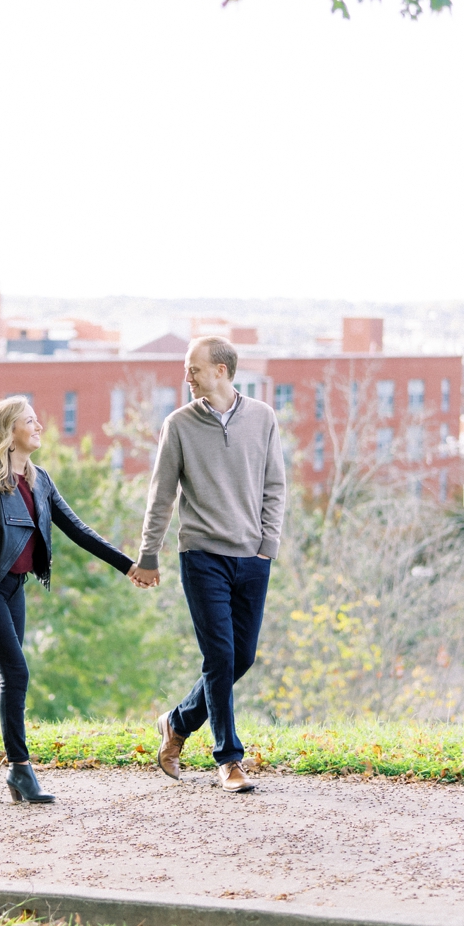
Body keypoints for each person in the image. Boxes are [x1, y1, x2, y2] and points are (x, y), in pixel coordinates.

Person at [0, 396, 142, 802]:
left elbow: (78, 529)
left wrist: (127, 566)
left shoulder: (40, 481)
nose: (39, 427)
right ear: (8, 432)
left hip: (14, 589)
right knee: (16, 675)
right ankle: (20, 770)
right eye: (30, 421)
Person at [131, 336, 286, 793]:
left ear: (221, 370)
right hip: (201, 555)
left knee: (241, 657)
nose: (187, 377)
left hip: (252, 556)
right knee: (219, 655)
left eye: (194, 369)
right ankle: (229, 759)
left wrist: (267, 546)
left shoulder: (262, 418)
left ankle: (176, 723)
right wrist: (148, 554)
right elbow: (161, 495)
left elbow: (275, 486)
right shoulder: (178, 424)